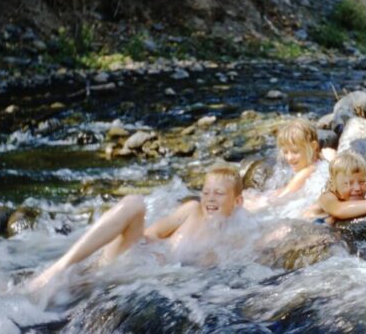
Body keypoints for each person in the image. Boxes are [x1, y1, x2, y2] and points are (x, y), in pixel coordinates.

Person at [28, 164, 244, 291]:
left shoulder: (233, 239)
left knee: (82, 285)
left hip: (147, 277)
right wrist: (156, 249)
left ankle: (71, 283)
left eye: (219, 193)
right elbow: (151, 234)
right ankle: (59, 268)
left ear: (237, 202)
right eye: (206, 192)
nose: (210, 199)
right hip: (134, 256)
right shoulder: (192, 210)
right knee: (134, 203)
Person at [244, 118, 335, 211]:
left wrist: (256, 204)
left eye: (295, 151)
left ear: (313, 146)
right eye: (285, 152)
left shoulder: (306, 171)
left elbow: (283, 197)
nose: (289, 158)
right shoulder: (321, 163)